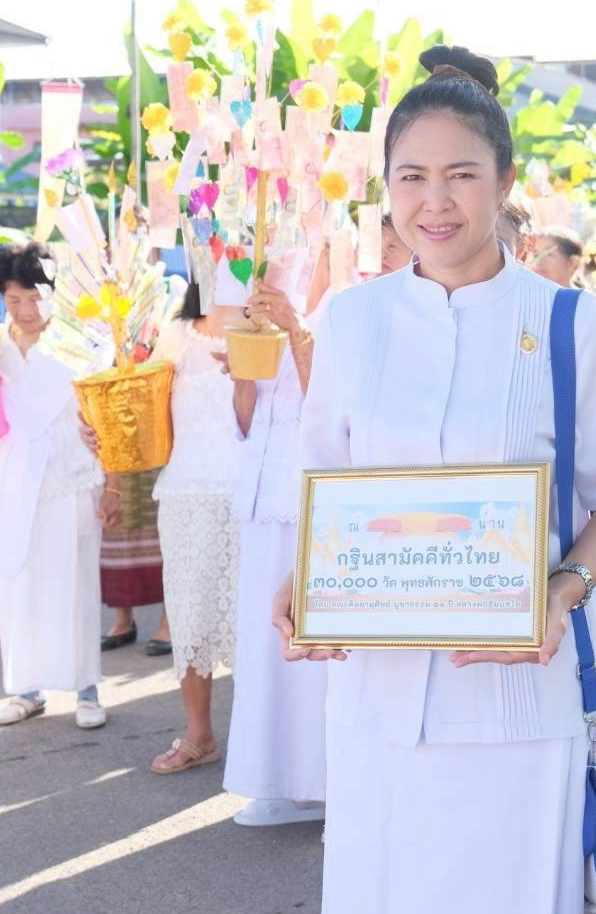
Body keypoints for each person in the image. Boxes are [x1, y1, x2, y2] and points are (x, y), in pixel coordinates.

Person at [276, 45, 596, 911]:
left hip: (518, 703)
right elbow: (326, 486)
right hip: (374, 706)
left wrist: (561, 590)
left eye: (460, 174)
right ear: (385, 188)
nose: (434, 201)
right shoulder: (349, 321)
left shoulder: (568, 320)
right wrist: (302, 582)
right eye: (410, 176)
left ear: (503, 179)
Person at [0, 241, 109, 730]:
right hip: (11, 478)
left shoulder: (79, 340)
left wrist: (112, 482)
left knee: (75, 581)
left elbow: (102, 412)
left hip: (69, 476)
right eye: (15, 300)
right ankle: (26, 688)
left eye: (35, 298)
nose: (26, 310)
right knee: (18, 584)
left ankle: (87, 688)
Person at [222, 260, 329, 826]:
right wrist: (242, 365)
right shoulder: (265, 284)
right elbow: (245, 418)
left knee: (310, 637)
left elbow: (333, 403)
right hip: (262, 494)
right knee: (263, 647)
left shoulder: (348, 298)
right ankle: (275, 778)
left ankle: (325, 782)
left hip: (312, 491)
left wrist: (295, 327)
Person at [148, 277, 243, 773]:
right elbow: (146, 406)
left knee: (253, 620)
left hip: (251, 494)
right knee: (189, 616)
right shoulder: (177, 333)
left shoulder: (264, 326)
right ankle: (199, 734)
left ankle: (260, 741)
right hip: (185, 491)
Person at [98, 468, 171, 655]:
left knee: (161, 521)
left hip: (157, 448)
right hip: (117, 446)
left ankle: (169, 622)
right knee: (116, 523)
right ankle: (123, 620)